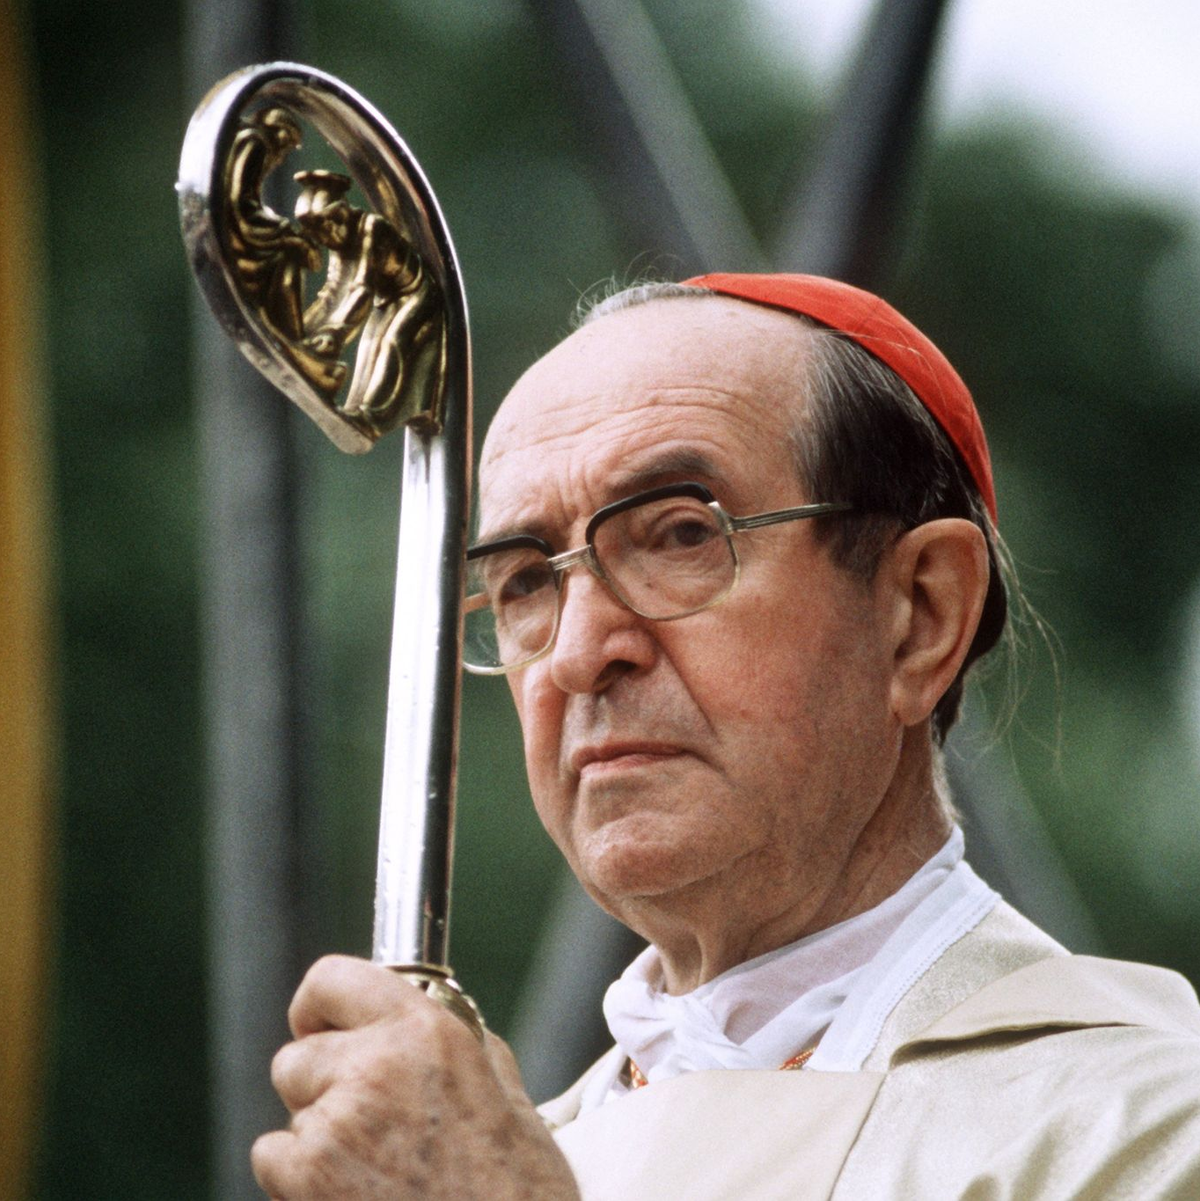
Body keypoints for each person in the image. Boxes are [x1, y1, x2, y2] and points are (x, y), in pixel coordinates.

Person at [250, 274, 1200, 1199]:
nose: (578, 654)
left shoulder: (1141, 1130)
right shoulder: (496, 1151)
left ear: (920, 614)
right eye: (526, 582)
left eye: (679, 535)